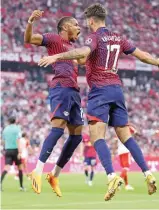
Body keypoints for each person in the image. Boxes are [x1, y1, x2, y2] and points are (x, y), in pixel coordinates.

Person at [38, 3, 159, 201]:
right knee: (126, 136)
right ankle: (147, 173)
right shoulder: (118, 38)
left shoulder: (94, 37)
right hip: (117, 90)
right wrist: (157, 62)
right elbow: (141, 55)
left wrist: (58, 55)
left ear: (91, 20)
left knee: (97, 135)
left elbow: (83, 52)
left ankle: (111, 175)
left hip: (100, 90)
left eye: (86, 22)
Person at [24, 10, 83, 196]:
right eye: (75, 24)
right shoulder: (54, 39)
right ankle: (38, 170)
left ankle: (54, 175)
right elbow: (30, 39)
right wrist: (30, 22)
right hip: (61, 88)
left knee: (77, 136)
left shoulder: (73, 48)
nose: (78, 27)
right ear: (65, 27)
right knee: (57, 128)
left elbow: (85, 58)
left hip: (74, 91)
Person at [1, 117, 25, 191]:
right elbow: (18, 140)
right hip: (15, 150)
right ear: (15, 121)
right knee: (20, 168)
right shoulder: (17, 129)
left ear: (8, 121)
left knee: (6, 168)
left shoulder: (5, 129)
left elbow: (3, 141)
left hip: (8, 150)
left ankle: (0, 184)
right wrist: (20, 152)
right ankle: (21, 186)